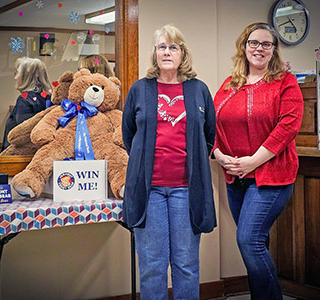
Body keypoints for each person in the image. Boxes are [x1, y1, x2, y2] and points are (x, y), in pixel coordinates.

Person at [122, 24, 216, 300]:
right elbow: (129, 135)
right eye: (161, 46)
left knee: (186, 265)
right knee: (152, 265)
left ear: (182, 53)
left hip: (186, 191)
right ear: (154, 53)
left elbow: (209, 135)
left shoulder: (199, 90)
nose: (166, 52)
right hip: (149, 192)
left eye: (173, 47)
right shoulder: (140, 89)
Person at [213, 22, 303, 299]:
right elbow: (211, 126)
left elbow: (288, 125)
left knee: (249, 241)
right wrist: (219, 156)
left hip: (272, 177)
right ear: (244, 46)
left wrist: (254, 160)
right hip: (236, 178)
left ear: (274, 50)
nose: (259, 48)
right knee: (256, 242)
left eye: (266, 44)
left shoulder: (285, 82)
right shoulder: (230, 84)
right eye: (254, 42)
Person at [1, 57, 52, 151]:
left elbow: (23, 134)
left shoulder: (25, 100)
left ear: (27, 76)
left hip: (19, 158)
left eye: (17, 73)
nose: (15, 78)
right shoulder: (50, 99)